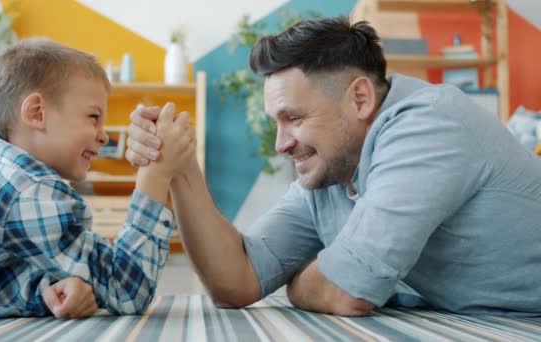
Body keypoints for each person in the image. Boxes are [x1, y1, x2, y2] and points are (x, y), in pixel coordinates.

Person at [126, 16, 541, 316]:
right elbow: (237, 281)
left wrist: (302, 280)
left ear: (359, 99)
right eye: (277, 122)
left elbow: (347, 292)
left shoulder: (429, 124)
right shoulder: (329, 171)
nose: (281, 143)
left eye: (295, 118)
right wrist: (179, 170)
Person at [0, 38, 195, 321]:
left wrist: (47, 288)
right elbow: (126, 289)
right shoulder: (31, 190)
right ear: (37, 113)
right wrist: (155, 174)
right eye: (93, 117)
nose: (104, 135)